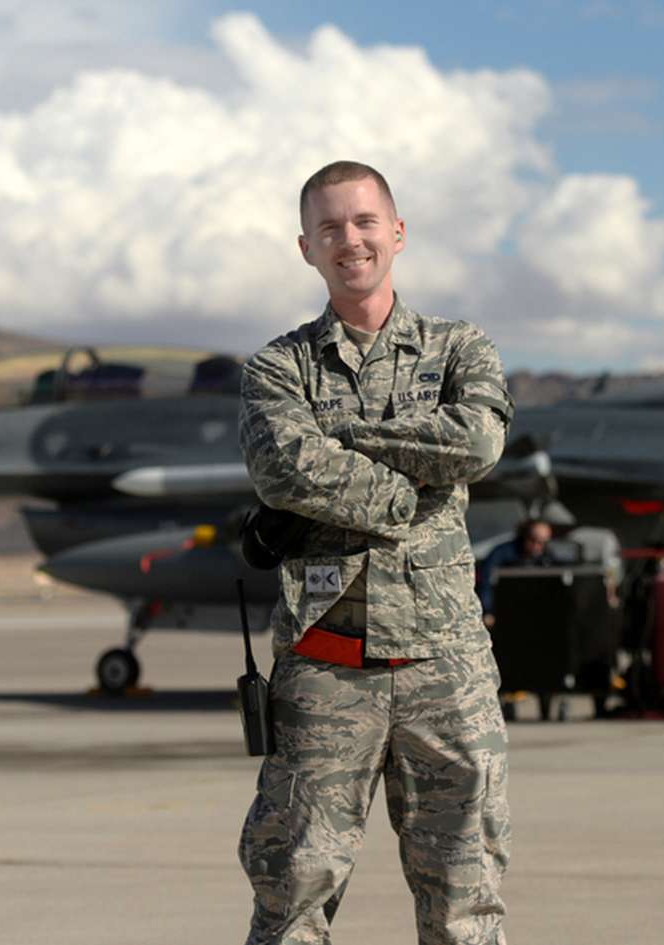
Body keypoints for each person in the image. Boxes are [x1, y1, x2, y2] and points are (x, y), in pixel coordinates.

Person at [236, 160, 514, 945]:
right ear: (306, 247)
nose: (348, 239)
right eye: (329, 228)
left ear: (397, 231)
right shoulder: (276, 368)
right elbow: (285, 464)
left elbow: (477, 441)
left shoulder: (461, 347)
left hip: (445, 662)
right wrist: (405, 493)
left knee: (468, 894)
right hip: (327, 660)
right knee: (293, 889)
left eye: (363, 222)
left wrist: (345, 440)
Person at [475, 518, 557, 627]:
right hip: (504, 612)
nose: (537, 547)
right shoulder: (502, 553)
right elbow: (485, 580)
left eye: (543, 543)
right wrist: (487, 610)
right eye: (533, 540)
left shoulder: (547, 556)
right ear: (524, 536)